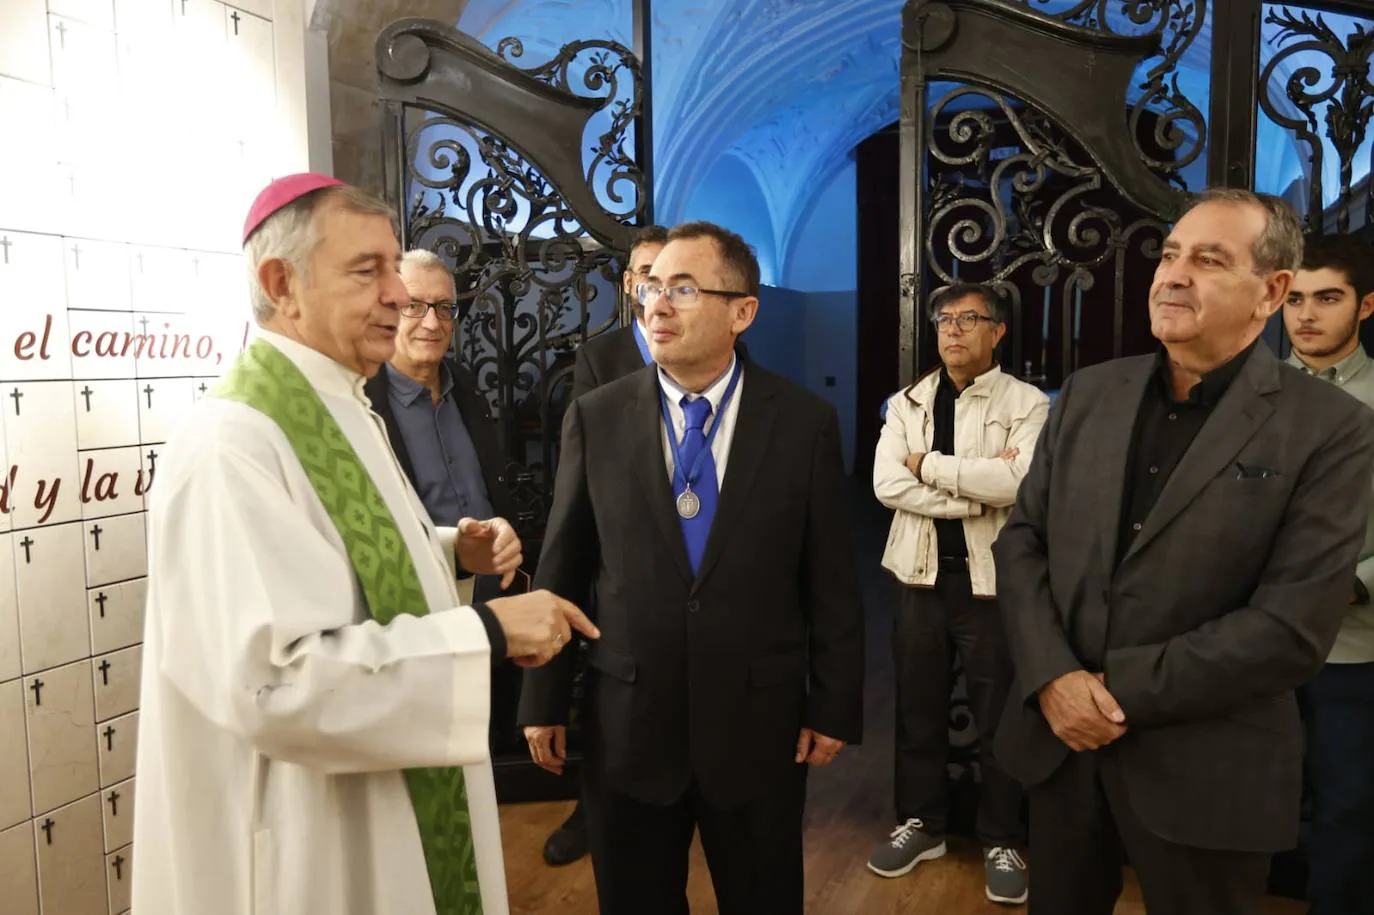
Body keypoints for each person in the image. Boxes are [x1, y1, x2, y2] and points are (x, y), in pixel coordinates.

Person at [131, 173, 597, 915]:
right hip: (310, 834)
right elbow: (275, 682)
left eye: (395, 268)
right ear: (282, 282)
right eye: (368, 270)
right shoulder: (233, 442)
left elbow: (334, 562)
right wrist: (486, 630)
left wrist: (449, 551)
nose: (397, 294)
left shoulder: (342, 404)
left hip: (374, 796)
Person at [992, 187, 1374, 915]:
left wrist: (1108, 690)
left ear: (1272, 291)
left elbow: (1291, 628)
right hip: (1061, 754)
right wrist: (1052, 677)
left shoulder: (1329, 427)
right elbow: (1023, 542)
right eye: (1170, 254)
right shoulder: (1088, 393)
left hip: (1209, 766)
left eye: (1207, 259)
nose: (1172, 275)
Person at [518, 221, 865, 914]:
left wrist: (832, 704)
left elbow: (830, 579)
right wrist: (544, 698)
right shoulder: (598, 416)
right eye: (651, 287)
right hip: (628, 721)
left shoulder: (803, 423)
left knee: (762, 895)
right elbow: (564, 564)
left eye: (683, 288)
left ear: (743, 310)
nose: (657, 304)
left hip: (757, 724)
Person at [869, 283, 1047, 905]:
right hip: (918, 578)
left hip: (989, 585)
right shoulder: (907, 402)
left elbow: (1021, 483)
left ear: (997, 331)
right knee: (917, 711)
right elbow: (886, 484)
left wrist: (931, 466)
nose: (952, 330)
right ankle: (922, 823)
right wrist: (976, 489)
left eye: (969, 319)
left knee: (1000, 717)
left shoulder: (1027, 403)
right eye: (944, 319)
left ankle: (1002, 836)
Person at [540, 224, 668, 867]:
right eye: (644, 273)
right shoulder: (602, 357)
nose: (655, 288)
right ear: (628, 283)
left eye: (669, 275)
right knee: (607, 698)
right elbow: (584, 466)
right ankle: (591, 810)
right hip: (616, 551)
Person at [1281, 232, 1374, 915]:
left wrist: (1358, 582)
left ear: (1366, 304)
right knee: (1245, 799)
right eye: (1294, 298)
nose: (1306, 314)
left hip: (1354, 645)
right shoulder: (1250, 395)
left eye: (1328, 298)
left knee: (1347, 806)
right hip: (1252, 641)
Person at [366, 248, 516, 607]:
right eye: (413, 306)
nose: (432, 323)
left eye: (444, 307)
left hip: (494, 596)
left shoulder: (464, 386)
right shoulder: (364, 404)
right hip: (417, 604)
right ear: (389, 310)